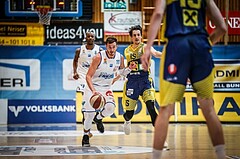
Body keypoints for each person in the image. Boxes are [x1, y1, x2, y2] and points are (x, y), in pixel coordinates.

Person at [141, 0, 227, 159]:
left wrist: (148, 48)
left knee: (166, 109)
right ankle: (221, 155)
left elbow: (158, 13)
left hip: (177, 47)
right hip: (201, 46)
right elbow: (222, 27)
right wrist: (206, 44)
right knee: (208, 109)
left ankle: (156, 157)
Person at [82, 36, 128, 147]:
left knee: (110, 109)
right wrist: (93, 91)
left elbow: (123, 72)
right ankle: (86, 135)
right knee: (89, 115)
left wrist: (129, 68)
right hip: (93, 87)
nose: (112, 50)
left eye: (113, 47)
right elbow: (88, 76)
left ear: (116, 47)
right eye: (109, 47)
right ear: (106, 47)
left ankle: (98, 119)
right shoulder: (98, 57)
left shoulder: (120, 57)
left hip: (106, 88)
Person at [122, 25, 163, 137]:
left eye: (138, 35)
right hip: (132, 82)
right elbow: (126, 68)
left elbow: (156, 54)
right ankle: (127, 121)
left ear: (141, 36)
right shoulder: (127, 51)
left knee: (151, 107)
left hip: (145, 80)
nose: (136, 37)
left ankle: (160, 137)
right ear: (131, 37)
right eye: (134, 35)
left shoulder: (145, 47)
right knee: (129, 114)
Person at [72, 31, 102, 136]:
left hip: (94, 79)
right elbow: (75, 61)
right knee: (85, 101)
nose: (90, 38)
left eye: (92, 36)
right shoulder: (79, 50)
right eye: (88, 36)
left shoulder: (99, 50)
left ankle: (96, 118)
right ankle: (85, 120)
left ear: (94, 38)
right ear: (86, 37)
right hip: (83, 78)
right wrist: (75, 72)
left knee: (94, 102)